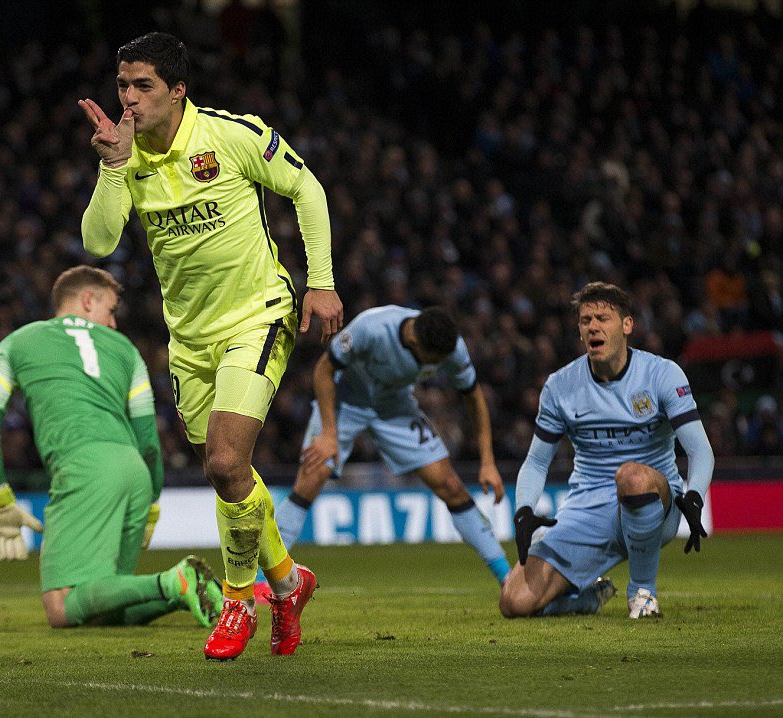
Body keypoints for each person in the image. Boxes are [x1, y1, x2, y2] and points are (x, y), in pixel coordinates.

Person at [78, 32, 343, 660]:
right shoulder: (125, 153)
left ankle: (237, 601)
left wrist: (322, 282)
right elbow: (97, 243)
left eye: (143, 86)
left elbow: (308, 189)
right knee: (229, 478)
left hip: (259, 315)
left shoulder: (232, 135)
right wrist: (112, 168)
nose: (130, 99)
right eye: (123, 86)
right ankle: (288, 581)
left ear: (177, 90)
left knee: (226, 461)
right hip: (190, 339)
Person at [0, 265, 222, 629]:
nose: (114, 323)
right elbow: (150, 441)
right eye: (112, 310)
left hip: (85, 468)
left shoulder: (16, 342)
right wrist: (150, 503)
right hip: (135, 470)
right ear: (88, 300)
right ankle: (185, 593)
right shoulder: (127, 351)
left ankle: (175, 579)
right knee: (103, 606)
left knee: (62, 605)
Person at [499, 282, 714, 619]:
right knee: (514, 602)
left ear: (627, 325)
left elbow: (700, 450)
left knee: (630, 476)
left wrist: (695, 495)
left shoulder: (661, 374)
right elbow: (537, 461)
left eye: (603, 318)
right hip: (588, 510)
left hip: (655, 500)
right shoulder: (560, 386)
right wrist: (524, 510)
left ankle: (643, 592)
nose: (593, 326)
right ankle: (587, 598)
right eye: (586, 320)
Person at [264, 305, 510, 595]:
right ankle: (259, 580)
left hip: (394, 406)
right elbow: (323, 370)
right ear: (415, 342)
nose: (437, 369)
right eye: (432, 363)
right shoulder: (371, 328)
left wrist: (488, 462)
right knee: (310, 479)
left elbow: (474, 397)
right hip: (345, 402)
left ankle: (507, 578)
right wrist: (329, 434)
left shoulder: (452, 346)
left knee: (450, 484)